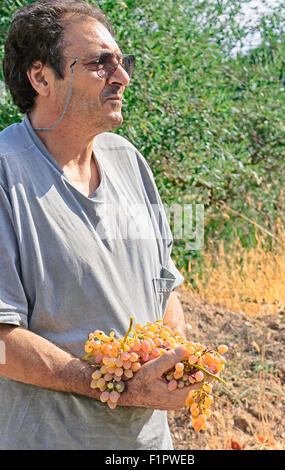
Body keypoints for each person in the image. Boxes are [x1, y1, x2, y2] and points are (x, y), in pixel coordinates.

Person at [0, 0, 200, 450]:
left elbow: (162, 283)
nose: (122, 76)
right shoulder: (5, 176)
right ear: (41, 77)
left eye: (121, 61)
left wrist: (178, 360)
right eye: (98, 63)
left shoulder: (128, 161)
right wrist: (117, 387)